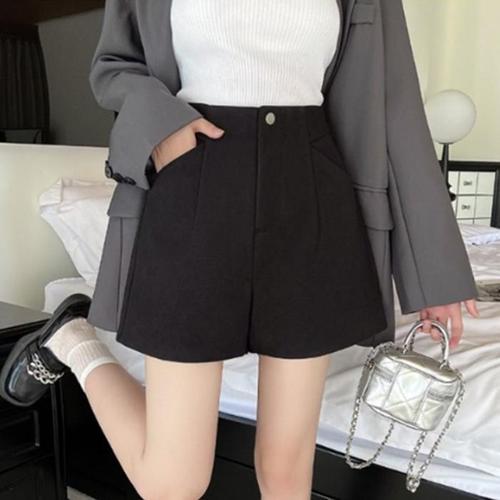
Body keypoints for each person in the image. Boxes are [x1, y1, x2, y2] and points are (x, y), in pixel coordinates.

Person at [0, 1, 479, 499]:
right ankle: (74, 339)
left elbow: (395, 103)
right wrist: (161, 126)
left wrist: (437, 274)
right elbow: (114, 65)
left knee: (286, 472)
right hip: (194, 185)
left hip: (310, 196)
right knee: (173, 483)